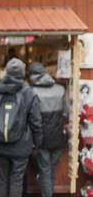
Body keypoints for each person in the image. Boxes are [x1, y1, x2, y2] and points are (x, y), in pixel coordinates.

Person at [0, 58, 42, 197]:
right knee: (16, 180)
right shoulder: (29, 93)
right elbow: (36, 122)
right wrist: (38, 143)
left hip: (1, 145)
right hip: (22, 146)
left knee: (2, 178)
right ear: (23, 74)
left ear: (7, 73)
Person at [28, 62, 68, 197]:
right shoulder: (60, 89)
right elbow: (66, 114)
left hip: (41, 137)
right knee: (50, 169)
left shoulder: (32, 91)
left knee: (45, 170)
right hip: (57, 136)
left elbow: (31, 117)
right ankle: (48, 193)